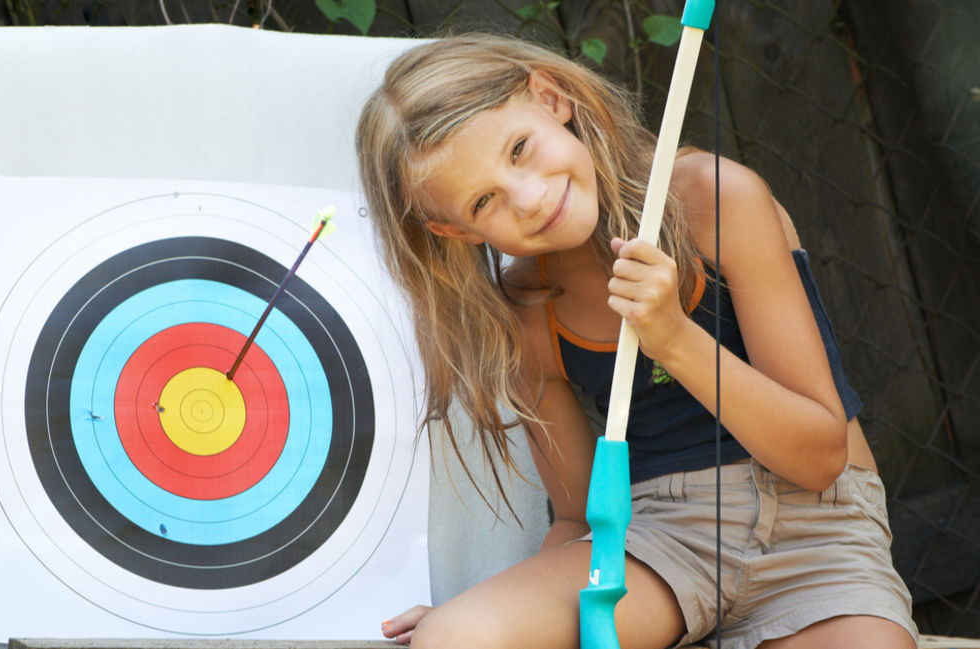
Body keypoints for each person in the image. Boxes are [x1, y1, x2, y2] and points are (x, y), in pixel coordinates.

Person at [355, 34, 916, 649]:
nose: (531, 198)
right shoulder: (529, 309)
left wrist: (673, 338)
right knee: (460, 638)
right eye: (484, 200)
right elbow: (576, 518)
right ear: (454, 229)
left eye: (519, 149)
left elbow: (818, 455)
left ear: (550, 98)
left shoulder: (714, 199)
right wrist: (497, 609)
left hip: (818, 535)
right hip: (657, 544)